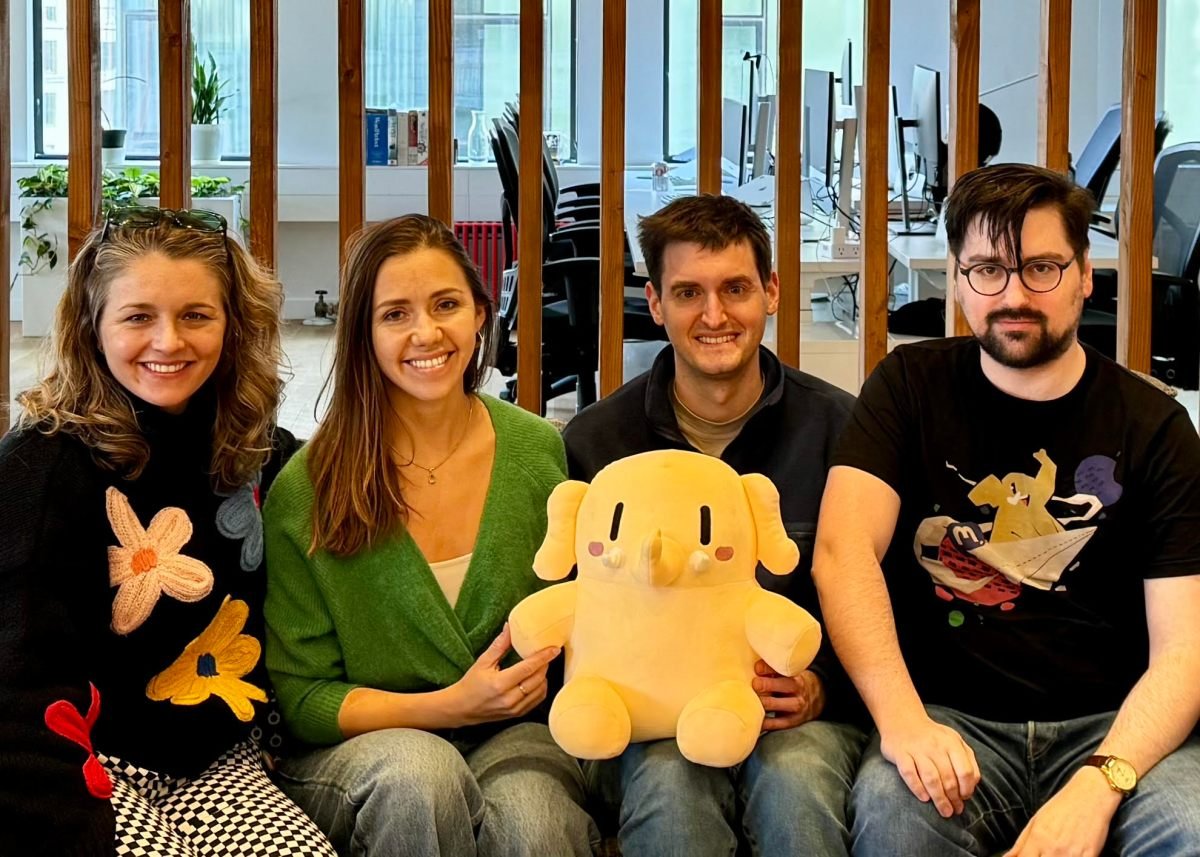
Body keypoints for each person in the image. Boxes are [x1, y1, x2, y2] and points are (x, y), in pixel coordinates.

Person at [814, 163, 1200, 856]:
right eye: (988, 269)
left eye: (1042, 268)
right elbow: (843, 554)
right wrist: (903, 722)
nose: (1014, 295)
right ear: (958, 279)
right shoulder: (908, 386)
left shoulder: (1156, 425)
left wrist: (1099, 784)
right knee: (895, 820)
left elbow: (1186, 650)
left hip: (1113, 726)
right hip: (949, 719)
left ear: (1085, 275)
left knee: (1190, 828)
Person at [0, 206, 334, 856]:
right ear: (92, 325)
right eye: (137, 317)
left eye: (196, 315)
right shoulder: (37, 467)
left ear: (233, 324)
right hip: (78, 764)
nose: (168, 341)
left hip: (217, 759)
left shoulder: (252, 449)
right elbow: (11, 683)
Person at [263, 214, 598, 856]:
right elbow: (304, 698)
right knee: (422, 775)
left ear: (481, 314)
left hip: (517, 734)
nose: (427, 332)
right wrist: (450, 706)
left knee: (537, 821)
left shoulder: (539, 451)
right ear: (363, 334)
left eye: (446, 304)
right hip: (365, 751)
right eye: (395, 314)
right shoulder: (308, 488)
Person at [563, 194, 866, 856]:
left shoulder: (842, 432)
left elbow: (883, 595)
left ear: (771, 291)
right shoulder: (596, 443)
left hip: (798, 719)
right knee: (672, 785)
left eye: (735, 288)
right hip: (647, 723)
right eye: (687, 293)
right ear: (655, 302)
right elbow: (570, 609)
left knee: (797, 781)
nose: (714, 315)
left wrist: (822, 687)